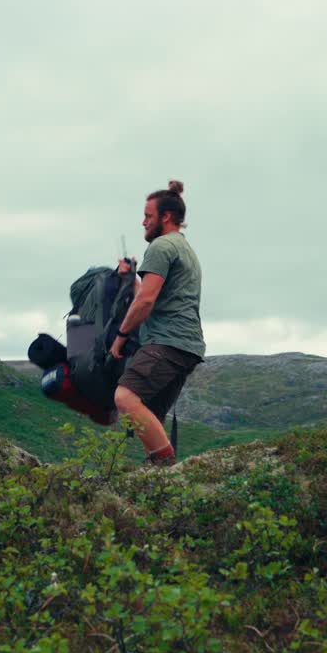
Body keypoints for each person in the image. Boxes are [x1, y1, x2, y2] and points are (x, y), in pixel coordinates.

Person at [109, 180, 204, 466]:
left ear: (166, 217)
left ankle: (168, 468)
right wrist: (131, 278)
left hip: (167, 341)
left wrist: (120, 337)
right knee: (150, 414)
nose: (143, 222)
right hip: (186, 345)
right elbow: (149, 296)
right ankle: (159, 475)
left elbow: (145, 303)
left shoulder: (161, 247)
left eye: (148, 216)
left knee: (125, 397)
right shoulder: (183, 248)